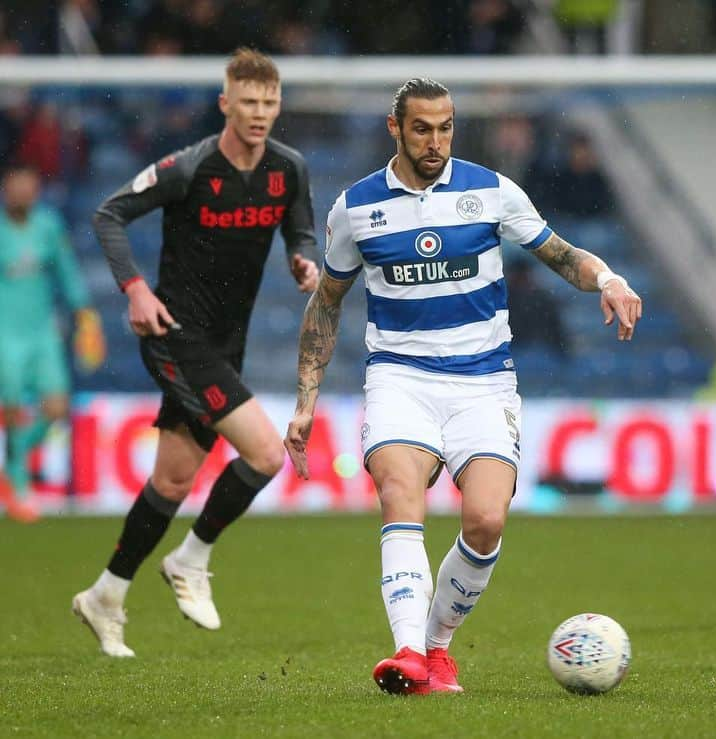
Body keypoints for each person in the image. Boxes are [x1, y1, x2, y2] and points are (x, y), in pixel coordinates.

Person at [283, 78, 642, 695]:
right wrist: (305, 401)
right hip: (400, 378)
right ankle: (406, 655)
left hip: (484, 383)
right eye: (422, 128)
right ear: (395, 128)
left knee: (484, 522)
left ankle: (436, 647)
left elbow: (559, 254)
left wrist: (608, 277)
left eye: (445, 127)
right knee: (400, 493)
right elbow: (327, 304)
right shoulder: (356, 208)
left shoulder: (492, 191)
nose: (436, 140)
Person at [72, 48, 318, 658]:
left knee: (173, 479)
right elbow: (109, 215)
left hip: (224, 343)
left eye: (269, 102)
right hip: (176, 335)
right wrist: (134, 290)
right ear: (225, 104)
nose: (259, 113)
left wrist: (302, 256)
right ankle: (191, 560)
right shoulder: (189, 168)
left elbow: (301, 225)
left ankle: (104, 595)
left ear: (277, 104)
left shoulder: (289, 169)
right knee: (264, 453)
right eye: (248, 102)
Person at [0, 164, 105, 523]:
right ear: (5, 190)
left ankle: (12, 466)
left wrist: (85, 314)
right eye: (16, 186)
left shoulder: (48, 226)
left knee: (57, 408)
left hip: (42, 332)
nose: (22, 193)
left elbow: (67, 270)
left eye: (29, 186)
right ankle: (17, 485)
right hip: (5, 332)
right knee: (12, 411)